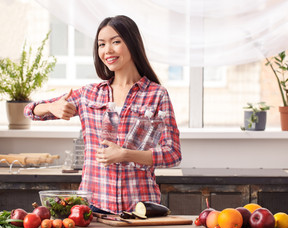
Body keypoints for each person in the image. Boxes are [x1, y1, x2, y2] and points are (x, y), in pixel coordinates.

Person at [24, 15, 182, 214]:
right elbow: (30, 110)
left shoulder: (157, 94)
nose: (107, 50)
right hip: (94, 208)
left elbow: (173, 154)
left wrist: (125, 154)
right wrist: (52, 106)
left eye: (116, 42)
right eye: (101, 44)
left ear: (132, 44)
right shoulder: (89, 94)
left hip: (141, 208)